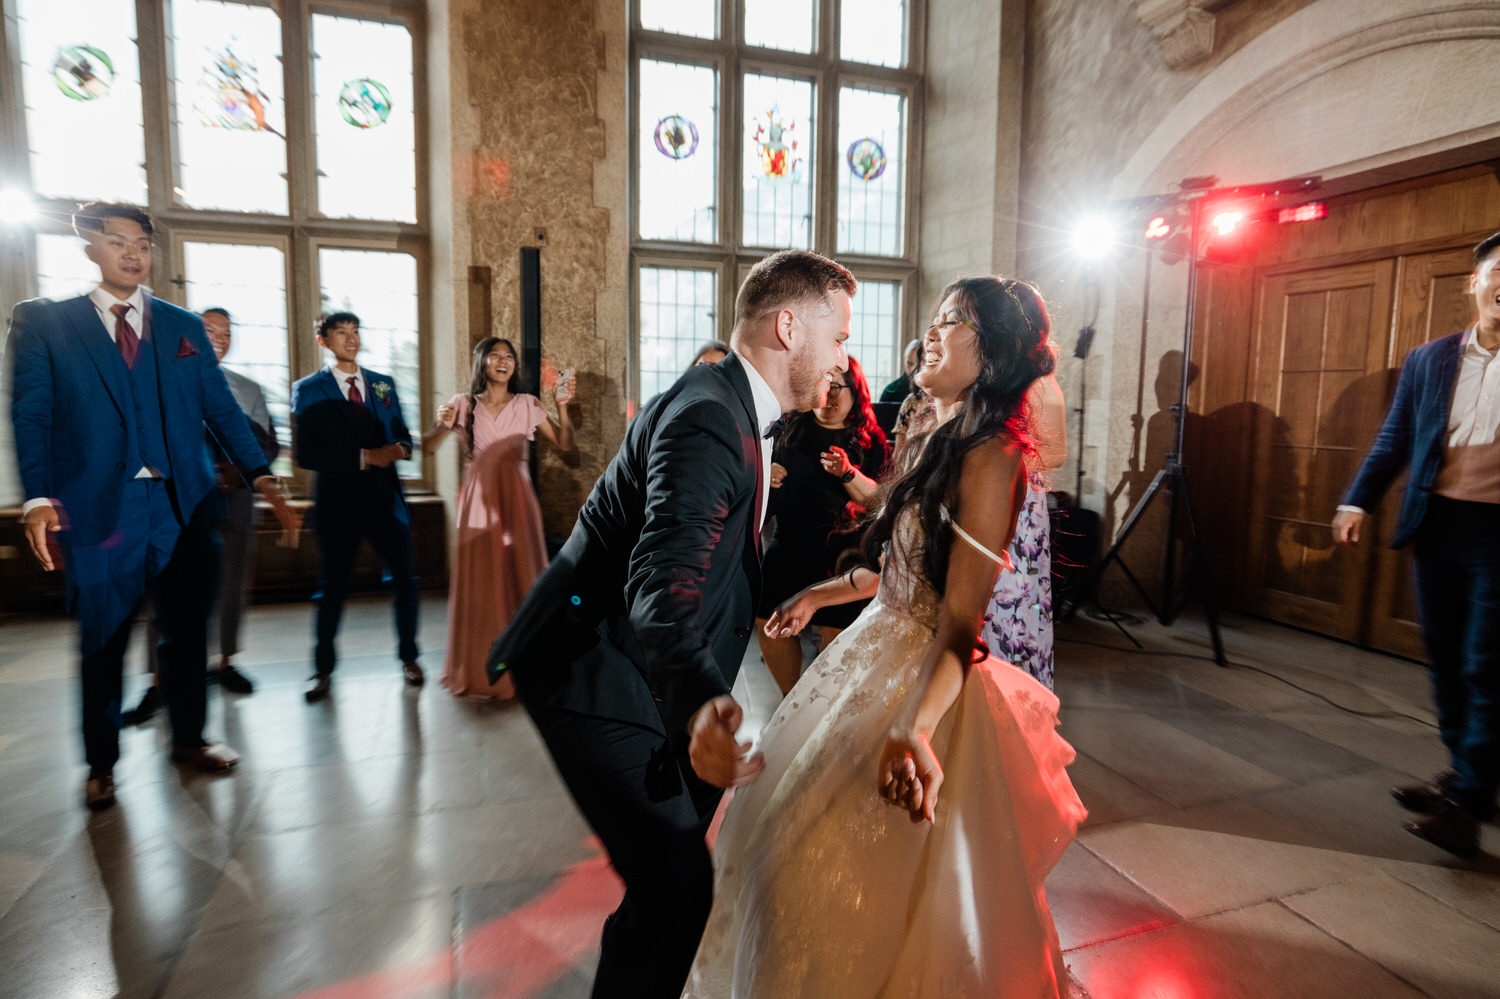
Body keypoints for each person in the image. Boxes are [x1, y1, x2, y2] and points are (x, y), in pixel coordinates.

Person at [686, 276, 1086, 998]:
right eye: (932, 319)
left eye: (953, 321)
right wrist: (818, 593)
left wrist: (914, 726)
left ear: (992, 349)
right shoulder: (935, 432)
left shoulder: (994, 455)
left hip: (922, 683)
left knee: (870, 895)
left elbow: (960, 621)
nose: (932, 334)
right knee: (779, 847)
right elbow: (895, 570)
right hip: (870, 649)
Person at [486, 249, 854, 999]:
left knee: (667, 892)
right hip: (589, 665)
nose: (847, 359)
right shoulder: (709, 419)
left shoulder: (734, 406)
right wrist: (701, 702)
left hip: (647, 665)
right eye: (840, 336)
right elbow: (660, 581)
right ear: (789, 327)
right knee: (677, 889)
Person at [6, 201, 297, 810]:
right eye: (117, 241)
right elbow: (31, 416)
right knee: (103, 641)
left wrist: (264, 479)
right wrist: (36, 497)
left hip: (185, 507)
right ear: (89, 248)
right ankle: (101, 763)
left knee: (187, 632)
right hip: (97, 510)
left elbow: (220, 410)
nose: (133, 253)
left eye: (142, 243)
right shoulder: (46, 324)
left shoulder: (181, 325)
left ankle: (190, 738)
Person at [1333, 230, 1500, 858]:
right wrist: (1356, 501)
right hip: (1438, 525)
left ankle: (1466, 807)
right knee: (1447, 659)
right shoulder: (1430, 359)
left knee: (1487, 667)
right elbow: (1395, 437)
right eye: (1498, 271)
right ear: (1475, 281)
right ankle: (1467, 778)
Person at [122, 306, 279, 724]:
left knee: (231, 588)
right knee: (165, 597)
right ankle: (159, 682)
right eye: (210, 331)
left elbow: (267, 447)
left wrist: (235, 471)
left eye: (227, 334)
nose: (219, 339)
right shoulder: (163, 381)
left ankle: (225, 662)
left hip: (236, 503)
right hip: (176, 506)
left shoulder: (250, 390)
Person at [421, 337, 575, 700]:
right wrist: (442, 425)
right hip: (478, 506)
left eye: (509, 356)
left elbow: (566, 445)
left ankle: (528, 665)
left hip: (517, 503)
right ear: (482, 362)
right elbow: (426, 447)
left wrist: (563, 407)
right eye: (495, 355)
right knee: (482, 583)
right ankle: (481, 667)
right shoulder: (462, 404)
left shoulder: (527, 404)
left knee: (523, 579)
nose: (503, 361)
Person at [292, 311, 423, 703]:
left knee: (405, 580)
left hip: (385, 501)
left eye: (355, 332)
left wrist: (398, 449)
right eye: (340, 333)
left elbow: (403, 435)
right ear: (324, 341)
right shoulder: (309, 389)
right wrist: (365, 457)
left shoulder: (383, 384)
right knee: (331, 589)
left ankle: (410, 658)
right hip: (338, 504)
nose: (350, 339)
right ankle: (323, 670)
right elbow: (306, 453)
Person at [757, 354, 887, 694]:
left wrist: (847, 473)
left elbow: (878, 503)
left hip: (842, 556)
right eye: (822, 386)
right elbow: (762, 503)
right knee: (768, 620)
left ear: (856, 392)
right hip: (789, 545)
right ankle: (791, 698)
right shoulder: (789, 430)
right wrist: (765, 476)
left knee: (836, 635)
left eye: (837, 388)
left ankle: (825, 710)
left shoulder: (869, 440)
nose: (828, 396)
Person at [878, 337, 921, 402]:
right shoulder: (891, 392)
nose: (914, 369)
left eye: (918, 365)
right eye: (910, 364)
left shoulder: (933, 391)